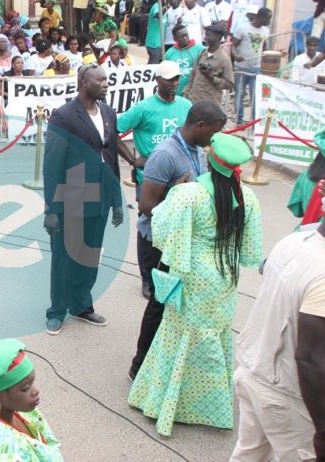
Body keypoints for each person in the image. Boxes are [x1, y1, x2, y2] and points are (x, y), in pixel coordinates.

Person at [128, 134, 262, 436]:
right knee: (213, 334)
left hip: (193, 275)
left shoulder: (189, 194)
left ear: (210, 160)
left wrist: (172, 194)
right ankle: (210, 404)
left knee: (179, 335)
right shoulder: (248, 197)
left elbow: (161, 231)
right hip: (225, 276)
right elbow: (251, 251)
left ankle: (169, 402)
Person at [128, 100, 227, 380]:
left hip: (181, 240)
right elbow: (147, 205)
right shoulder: (165, 155)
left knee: (175, 305)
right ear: (199, 126)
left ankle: (161, 364)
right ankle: (138, 366)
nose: (214, 139)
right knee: (159, 304)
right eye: (213, 132)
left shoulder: (196, 149)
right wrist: (175, 191)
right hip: (158, 242)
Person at [230, 210, 325, 462]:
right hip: (286, 396)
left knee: (249, 454)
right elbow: (309, 359)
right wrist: (323, 432)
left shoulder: (293, 242)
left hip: (252, 371)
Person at [43, 65, 123, 335]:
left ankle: (81, 306)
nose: (105, 84)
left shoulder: (109, 113)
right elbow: (51, 166)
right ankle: (57, 311)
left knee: (89, 256)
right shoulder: (63, 116)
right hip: (70, 200)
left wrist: (117, 200)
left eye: (106, 79)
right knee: (65, 258)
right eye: (100, 80)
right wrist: (51, 209)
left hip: (99, 198)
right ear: (83, 82)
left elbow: (111, 158)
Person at [116, 60, 191, 296]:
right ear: (158, 81)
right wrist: (132, 159)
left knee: (178, 225)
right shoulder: (143, 108)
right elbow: (113, 130)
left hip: (181, 177)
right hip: (151, 178)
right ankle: (147, 278)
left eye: (177, 78)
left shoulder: (187, 105)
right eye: (169, 79)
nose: (175, 83)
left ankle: (170, 273)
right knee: (149, 226)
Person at [231, 6, 272, 124]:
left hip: (256, 69)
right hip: (242, 67)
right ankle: (239, 120)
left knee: (256, 96)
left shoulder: (266, 31)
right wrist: (236, 55)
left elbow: (265, 47)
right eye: (268, 19)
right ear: (261, 17)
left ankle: (254, 122)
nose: (269, 22)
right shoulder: (242, 28)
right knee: (239, 94)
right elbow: (233, 46)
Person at [184, 22, 235, 105]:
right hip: (193, 100)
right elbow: (193, 75)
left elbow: (230, 84)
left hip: (210, 104)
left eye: (208, 35)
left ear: (217, 37)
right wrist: (186, 93)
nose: (205, 38)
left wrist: (211, 77)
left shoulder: (224, 59)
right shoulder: (202, 53)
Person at [163, 24, 204, 96]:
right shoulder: (169, 53)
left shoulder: (200, 49)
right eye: (181, 36)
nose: (185, 38)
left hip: (195, 92)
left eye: (186, 35)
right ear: (175, 39)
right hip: (177, 93)